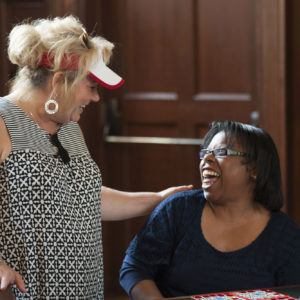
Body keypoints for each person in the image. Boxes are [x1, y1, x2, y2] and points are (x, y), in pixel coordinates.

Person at [0, 15, 193, 299]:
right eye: (91, 87)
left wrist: (157, 199)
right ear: (58, 82)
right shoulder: (3, 120)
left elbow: (85, 197)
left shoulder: (70, 128)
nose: (96, 98)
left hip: (84, 290)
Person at [120, 120, 300, 299]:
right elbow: (135, 267)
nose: (206, 158)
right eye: (205, 153)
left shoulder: (285, 236)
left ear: (254, 169)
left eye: (220, 152)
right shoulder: (178, 209)